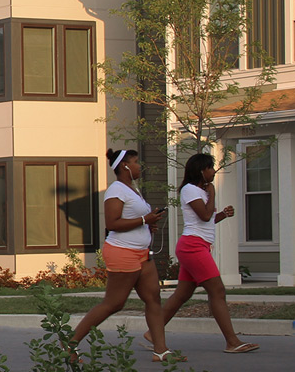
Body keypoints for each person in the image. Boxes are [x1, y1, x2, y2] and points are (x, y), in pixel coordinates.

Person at [70, 149, 183, 363]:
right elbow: (112, 224)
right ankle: (70, 344)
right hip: (122, 252)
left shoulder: (132, 190)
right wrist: (144, 221)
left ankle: (161, 351)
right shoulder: (116, 190)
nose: (140, 166)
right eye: (136, 162)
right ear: (125, 166)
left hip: (142, 254)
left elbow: (135, 219)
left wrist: (148, 225)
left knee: (153, 298)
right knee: (114, 303)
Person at [142, 153, 259, 354]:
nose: (213, 171)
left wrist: (222, 214)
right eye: (210, 168)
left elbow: (207, 221)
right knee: (217, 291)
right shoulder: (189, 190)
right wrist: (212, 193)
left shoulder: (200, 192)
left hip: (198, 245)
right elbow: (204, 216)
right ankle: (232, 342)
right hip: (192, 247)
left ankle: (153, 333)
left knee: (181, 295)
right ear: (201, 171)